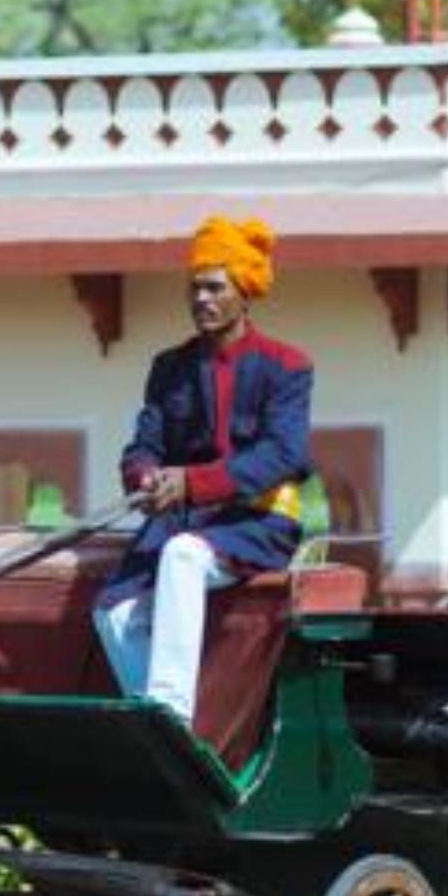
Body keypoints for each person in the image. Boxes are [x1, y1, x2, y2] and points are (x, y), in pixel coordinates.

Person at [95, 215, 314, 724]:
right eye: (194, 289)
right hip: (179, 522)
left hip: (258, 524)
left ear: (245, 292)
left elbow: (285, 455)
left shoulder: (287, 365)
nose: (201, 300)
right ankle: (163, 724)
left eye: (215, 287)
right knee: (112, 611)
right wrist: (146, 477)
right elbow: (142, 446)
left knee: (183, 557)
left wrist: (191, 483)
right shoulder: (168, 368)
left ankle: (170, 715)